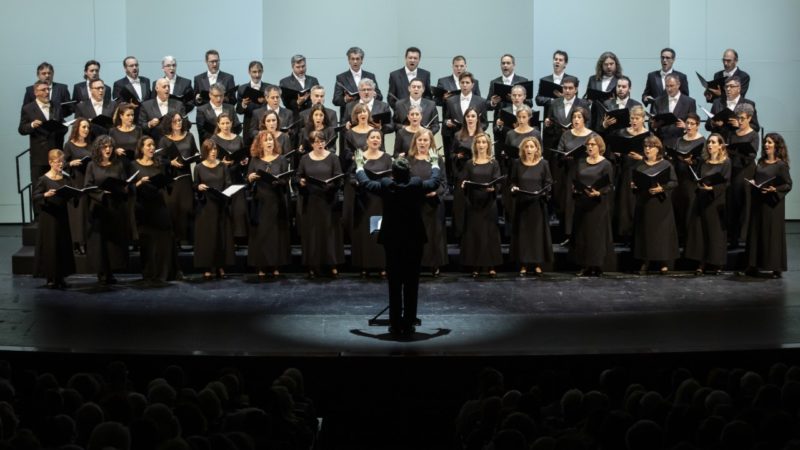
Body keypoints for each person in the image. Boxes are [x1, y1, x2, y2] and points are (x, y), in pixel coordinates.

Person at [355, 153, 443, 336]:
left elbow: (367, 183)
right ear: (409, 172)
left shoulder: (387, 186)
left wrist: (359, 166)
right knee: (412, 283)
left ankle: (395, 323)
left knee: (394, 283)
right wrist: (435, 163)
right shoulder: (417, 184)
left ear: (393, 174)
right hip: (414, 239)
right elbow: (434, 182)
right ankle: (409, 322)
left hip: (393, 240)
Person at [744, 133, 792, 278]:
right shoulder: (761, 162)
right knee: (757, 233)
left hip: (773, 205)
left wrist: (775, 190)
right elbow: (757, 178)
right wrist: (753, 183)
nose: (766, 145)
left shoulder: (781, 165)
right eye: (765, 142)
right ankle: (754, 265)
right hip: (759, 202)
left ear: (777, 146)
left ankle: (775, 267)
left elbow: (788, 184)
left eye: (770, 142)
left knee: (772, 235)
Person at [84, 135, 131, 284]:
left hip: (115, 207)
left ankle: (111, 272)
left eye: (110, 146)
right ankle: (102, 272)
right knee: (100, 242)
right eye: (105, 147)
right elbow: (87, 186)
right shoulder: (92, 165)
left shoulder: (118, 165)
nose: (108, 149)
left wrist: (122, 189)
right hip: (99, 207)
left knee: (113, 242)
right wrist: (102, 193)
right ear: (98, 148)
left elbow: (124, 184)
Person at [297, 130, 344, 278]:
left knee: (329, 233)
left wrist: (330, 185)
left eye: (322, 141)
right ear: (311, 144)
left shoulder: (333, 158)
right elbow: (298, 176)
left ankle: (332, 264)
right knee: (313, 234)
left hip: (328, 200)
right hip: (311, 200)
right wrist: (301, 182)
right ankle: (313, 265)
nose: (320, 144)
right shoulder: (305, 159)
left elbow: (339, 178)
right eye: (317, 142)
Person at [684, 133, 732, 275]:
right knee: (701, 232)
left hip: (716, 202)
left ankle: (717, 263)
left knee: (715, 233)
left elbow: (727, 183)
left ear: (720, 145)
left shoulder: (726, 162)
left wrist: (713, 189)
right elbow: (698, 177)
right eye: (709, 142)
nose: (710, 145)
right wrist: (699, 184)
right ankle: (702, 262)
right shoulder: (704, 161)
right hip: (702, 200)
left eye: (713, 142)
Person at [246, 131, 291, 278]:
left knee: (275, 234)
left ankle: (275, 265)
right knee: (261, 234)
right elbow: (249, 178)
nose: (269, 142)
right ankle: (261, 266)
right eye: (266, 140)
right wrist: (250, 178)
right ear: (261, 144)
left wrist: (279, 181)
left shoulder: (282, 159)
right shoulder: (255, 160)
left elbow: (286, 180)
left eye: (271, 139)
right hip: (260, 201)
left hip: (276, 201)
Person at [631, 136, 679, 274]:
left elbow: (674, 182)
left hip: (661, 204)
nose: (647, 149)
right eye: (645, 147)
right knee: (645, 233)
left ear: (657, 149)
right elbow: (635, 184)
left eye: (650, 147)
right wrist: (634, 186)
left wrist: (662, 188)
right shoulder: (639, 165)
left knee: (661, 234)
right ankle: (645, 262)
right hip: (645, 203)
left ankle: (663, 262)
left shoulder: (666, 165)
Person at [132, 136, 175, 283]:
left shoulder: (159, 164)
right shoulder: (133, 165)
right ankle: (149, 273)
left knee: (163, 240)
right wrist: (139, 183)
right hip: (143, 207)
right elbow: (128, 188)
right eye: (148, 145)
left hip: (159, 205)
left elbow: (166, 184)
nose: (151, 148)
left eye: (153, 145)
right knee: (147, 243)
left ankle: (163, 274)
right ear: (141, 148)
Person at [459, 133, 503, 278]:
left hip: (489, 203)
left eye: (484, 142)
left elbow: (498, 182)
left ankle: (491, 265)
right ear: (475, 145)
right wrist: (464, 184)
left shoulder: (493, 163)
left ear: (488, 145)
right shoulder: (470, 164)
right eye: (479, 142)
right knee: (475, 234)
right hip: (474, 203)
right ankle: (476, 265)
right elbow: (463, 181)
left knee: (489, 234)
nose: (481, 145)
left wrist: (493, 188)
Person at [571, 133, 615, 276]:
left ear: (599, 147)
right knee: (583, 234)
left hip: (598, 204)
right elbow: (576, 180)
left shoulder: (606, 164)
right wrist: (575, 188)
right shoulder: (581, 162)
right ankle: (584, 265)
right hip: (583, 202)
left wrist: (599, 193)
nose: (590, 147)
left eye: (593, 145)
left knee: (597, 236)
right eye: (588, 145)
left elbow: (609, 186)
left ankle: (597, 265)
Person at [509, 137, 553, 276]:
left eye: (531, 147)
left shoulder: (543, 163)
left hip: (537, 204)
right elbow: (512, 181)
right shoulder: (517, 163)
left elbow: (548, 183)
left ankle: (537, 263)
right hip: (522, 205)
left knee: (537, 235)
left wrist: (544, 192)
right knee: (523, 235)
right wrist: (513, 188)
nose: (529, 149)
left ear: (536, 149)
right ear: (523, 149)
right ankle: (523, 264)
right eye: (526, 147)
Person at [407, 129, 448, 276]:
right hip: (415, 204)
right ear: (415, 142)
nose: (422, 143)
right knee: (414, 236)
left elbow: (444, 182)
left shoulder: (437, 159)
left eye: (425, 140)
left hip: (433, 204)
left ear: (430, 142)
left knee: (433, 235)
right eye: (420, 140)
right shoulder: (409, 159)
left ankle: (433, 265)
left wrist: (435, 192)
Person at [351, 129, 392, 277]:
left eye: (378, 138)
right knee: (365, 233)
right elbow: (351, 174)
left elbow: (392, 176)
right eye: (372, 137)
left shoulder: (387, 158)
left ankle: (381, 265)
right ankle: (365, 265)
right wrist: (355, 181)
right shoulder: (360, 157)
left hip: (381, 200)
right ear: (367, 140)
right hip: (365, 200)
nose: (375, 140)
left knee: (379, 233)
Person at [193, 139, 235, 280]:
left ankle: (220, 266)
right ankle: (208, 267)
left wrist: (224, 194)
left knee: (220, 237)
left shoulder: (223, 166)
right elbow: (195, 185)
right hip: (206, 207)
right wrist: (198, 188)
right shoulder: (198, 167)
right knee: (207, 238)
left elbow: (228, 184)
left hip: (220, 205)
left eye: (215, 149)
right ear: (205, 151)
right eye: (210, 150)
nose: (213, 152)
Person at [32, 149, 75, 289]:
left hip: (62, 216)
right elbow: (35, 197)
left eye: (62, 162)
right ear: (50, 162)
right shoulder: (43, 179)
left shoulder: (66, 178)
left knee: (62, 245)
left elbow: (72, 193)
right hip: (49, 218)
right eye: (58, 162)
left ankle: (61, 276)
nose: (61, 165)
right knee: (51, 247)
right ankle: (50, 277)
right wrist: (45, 195)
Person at [608, 105, 650, 242]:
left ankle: (637, 233)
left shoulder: (649, 136)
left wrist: (642, 157)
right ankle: (623, 233)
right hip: (626, 170)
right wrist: (618, 153)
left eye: (637, 118)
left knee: (637, 202)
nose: (634, 121)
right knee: (625, 202)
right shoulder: (622, 133)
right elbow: (613, 148)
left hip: (642, 170)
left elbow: (657, 157)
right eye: (632, 118)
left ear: (643, 119)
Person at [552, 106, 593, 245]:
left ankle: (584, 235)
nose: (576, 120)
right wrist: (565, 157)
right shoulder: (566, 135)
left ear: (585, 119)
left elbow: (600, 153)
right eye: (574, 117)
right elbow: (559, 152)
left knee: (585, 204)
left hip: (588, 174)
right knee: (570, 206)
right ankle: (570, 235)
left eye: (579, 117)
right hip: (570, 174)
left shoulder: (592, 135)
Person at [157, 112, 197, 253]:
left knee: (187, 208)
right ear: (169, 123)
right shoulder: (164, 140)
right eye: (175, 121)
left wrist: (192, 158)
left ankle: (188, 239)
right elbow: (159, 159)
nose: (178, 123)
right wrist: (170, 162)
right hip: (172, 178)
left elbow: (196, 153)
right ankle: (175, 240)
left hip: (185, 176)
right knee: (173, 209)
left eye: (180, 120)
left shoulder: (189, 136)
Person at [19, 80, 67, 184]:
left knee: (57, 184)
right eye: (43, 90)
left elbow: (63, 124)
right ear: (36, 92)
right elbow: (22, 129)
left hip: (56, 153)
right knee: (38, 185)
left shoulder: (56, 105)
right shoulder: (28, 108)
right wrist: (31, 125)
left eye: (48, 89)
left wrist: (63, 127)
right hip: (39, 155)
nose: (47, 92)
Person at [726, 103, 760, 247]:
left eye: (742, 119)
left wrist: (736, 152)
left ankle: (743, 237)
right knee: (732, 204)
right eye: (738, 118)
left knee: (745, 204)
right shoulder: (733, 134)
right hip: (733, 171)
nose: (739, 121)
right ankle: (732, 237)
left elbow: (751, 156)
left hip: (746, 172)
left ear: (749, 118)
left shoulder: (753, 135)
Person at [669, 112, 705, 245]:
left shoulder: (702, 140)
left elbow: (703, 160)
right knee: (678, 207)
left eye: (692, 124)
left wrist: (693, 162)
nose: (689, 126)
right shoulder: (680, 140)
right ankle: (678, 238)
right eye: (687, 123)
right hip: (679, 178)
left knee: (689, 208)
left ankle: (690, 240)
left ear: (697, 126)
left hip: (691, 180)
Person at [212, 113, 248, 243]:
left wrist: (244, 161)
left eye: (228, 123)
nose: (226, 126)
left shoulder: (238, 138)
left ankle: (237, 238)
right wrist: (221, 162)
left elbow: (243, 156)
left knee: (239, 209)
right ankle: (224, 238)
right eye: (223, 123)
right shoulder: (214, 139)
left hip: (236, 176)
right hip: (220, 177)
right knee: (224, 208)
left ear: (231, 123)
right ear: (218, 124)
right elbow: (210, 159)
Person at [436, 55, 481, 154]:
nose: (459, 68)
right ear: (452, 66)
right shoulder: (443, 81)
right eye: (456, 66)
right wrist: (444, 99)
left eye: (461, 66)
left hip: (471, 128)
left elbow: (478, 102)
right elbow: (437, 101)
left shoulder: (475, 82)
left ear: (466, 66)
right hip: (450, 128)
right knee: (450, 158)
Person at [450, 107, 482, 239]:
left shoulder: (482, 135)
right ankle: (461, 234)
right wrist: (457, 155)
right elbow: (451, 154)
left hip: (477, 172)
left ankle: (475, 233)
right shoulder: (458, 135)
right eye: (468, 116)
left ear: (477, 118)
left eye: (473, 116)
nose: (470, 119)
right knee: (461, 205)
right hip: (462, 171)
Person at [63, 119, 93, 255]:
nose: (86, 129)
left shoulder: (91, 145)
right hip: (76, 181)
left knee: (87, 213)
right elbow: (63, 164)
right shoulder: (69, 145)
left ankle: (87, 241)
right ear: (77, 128)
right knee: (78, 214)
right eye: (84, 127)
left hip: (88, 181)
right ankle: (78, 242)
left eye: (88, 127)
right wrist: (71, 163)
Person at [332, 47, 383, 121]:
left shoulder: (370, 76)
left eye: (357, 59)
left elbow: (380, 97)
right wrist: (346, 99)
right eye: (352, 59)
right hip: (350, 117)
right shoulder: (341, 78)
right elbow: (336, 100)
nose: (355, 62)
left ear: (362, 60)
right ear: (349, 60)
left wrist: (374, 95)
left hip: (369, 116)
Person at [705, 76, 760, 141]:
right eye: (726, 86)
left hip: (739, 143)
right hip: (720, 144)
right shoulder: (717, 102)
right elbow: (707, 126)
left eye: (731, 86)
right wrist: (713, 123)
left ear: (739, 88)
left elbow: (756, 127)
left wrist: (740, 124)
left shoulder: (748, 104)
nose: (728, 89)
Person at [649, 73, 697, 147]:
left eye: (671, 86)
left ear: (678, 85)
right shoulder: (658, 101)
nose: (669, 89)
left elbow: (694, 123)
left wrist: (686, 126)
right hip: (662, 143)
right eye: (667, 86)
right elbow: (651, 122)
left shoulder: (689, 102)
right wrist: (654, 126)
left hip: (682, 143)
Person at [139, 78, 186, 142]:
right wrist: (149, 124)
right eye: (164, 87)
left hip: (176, 143)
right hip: (155, 144)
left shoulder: (179, 105)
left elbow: (185, 124)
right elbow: (140, 126)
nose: (167, 89)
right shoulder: (146, 106)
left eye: (168, 87)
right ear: (157, 88)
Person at [585, 52, 622, 130]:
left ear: (616, 64)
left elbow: (626, 100)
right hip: (596, 117)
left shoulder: (621, 80)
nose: (609, 67)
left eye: (611, 64)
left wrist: (615, 101)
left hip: (613, 116)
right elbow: (587, 97)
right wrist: (589, 101)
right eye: (606, 64)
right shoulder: (593, 79)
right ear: (601, 65)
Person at [535, 50, 575, 121]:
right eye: (555, 59)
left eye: (560, 60)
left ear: (565, 64)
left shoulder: (572, 80)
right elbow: (538, 99)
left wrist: (563, 97)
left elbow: (575, 100)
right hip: (548, 120)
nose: (557, 61)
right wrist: (552, 101)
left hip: (565, 120)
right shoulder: (544, 80)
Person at [236, 61, 268, 148]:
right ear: (249, 72)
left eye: (259, 71)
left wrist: (266, 101)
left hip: (265, 125)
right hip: (248, 126)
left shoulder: (268, 88)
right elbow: (238, 110)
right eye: (254, 72)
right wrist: (243, 104)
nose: (257, 75)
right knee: (248, 150)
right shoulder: (242, 89)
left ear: (262, 71)